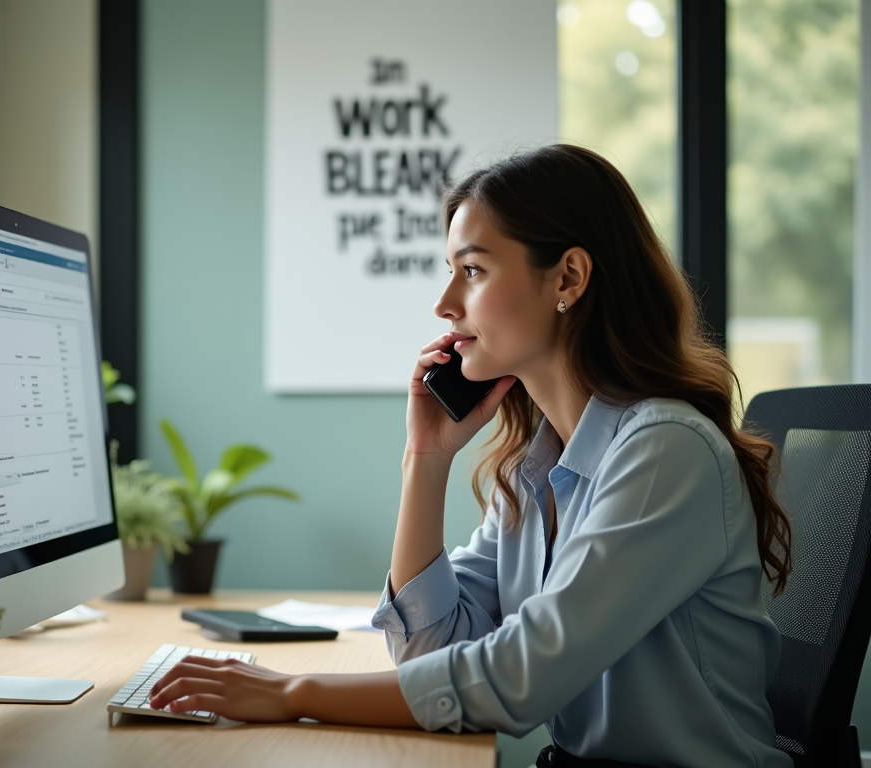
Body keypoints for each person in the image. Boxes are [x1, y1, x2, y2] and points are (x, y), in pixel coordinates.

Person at [148, 145, 793, 768]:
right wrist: (425, 459)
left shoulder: (664, 451)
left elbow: (520, 677)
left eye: (474, 270)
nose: (444, 303)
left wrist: (292, 694)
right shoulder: (535, 467)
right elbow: (430, 649)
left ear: (568, 276)